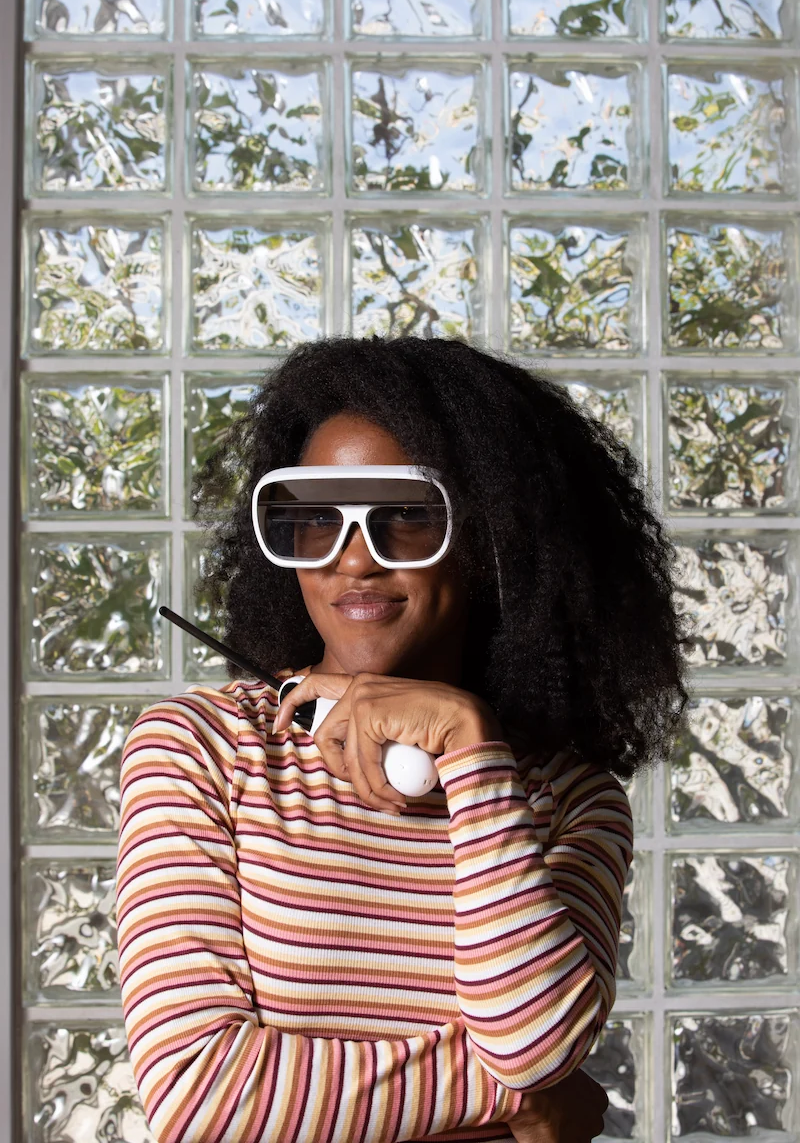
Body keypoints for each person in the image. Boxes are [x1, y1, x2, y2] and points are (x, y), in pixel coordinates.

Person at [116, 336, 689, 1143]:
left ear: (496, 543)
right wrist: (513, 1099)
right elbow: (203, 1096)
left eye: (407, 519)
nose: (354, 560)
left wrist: (469, 746)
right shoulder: (202, 749)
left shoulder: (566, 797)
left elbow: (535, 1045)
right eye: (313, 520)